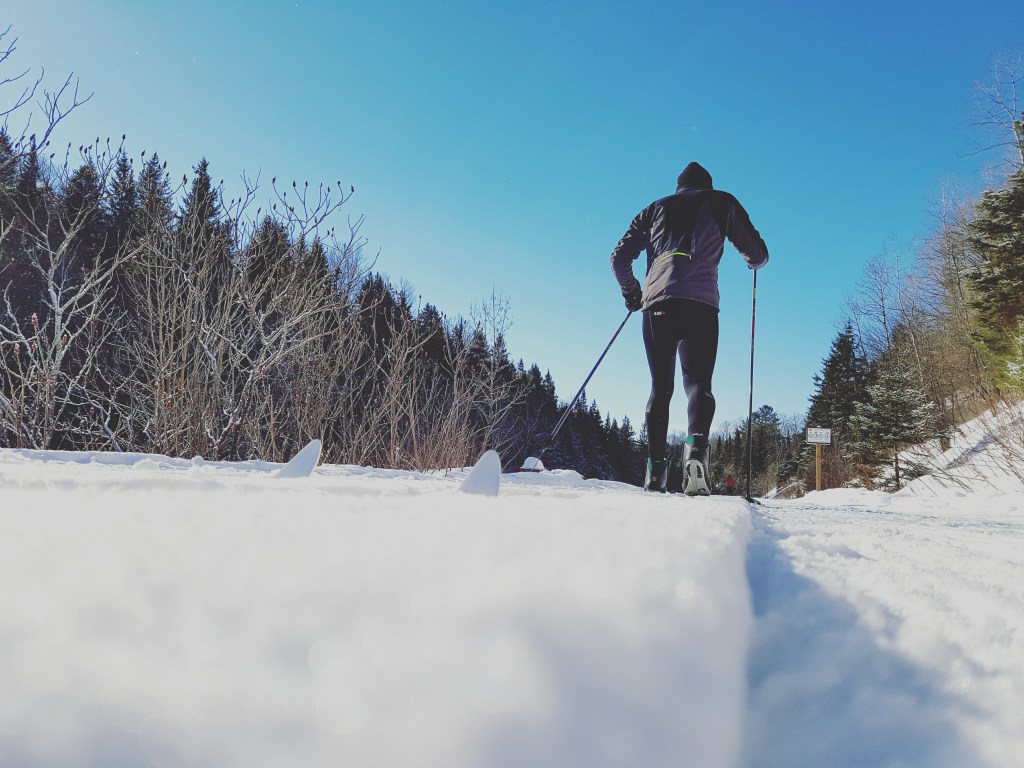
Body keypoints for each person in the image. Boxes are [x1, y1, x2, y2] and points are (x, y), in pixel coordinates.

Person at [610, 162, 768, 495]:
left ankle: (655, 472)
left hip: (658, 305)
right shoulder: (721, 202)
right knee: (698, 384)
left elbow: (619, 258)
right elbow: (758, 254)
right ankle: (695, 452)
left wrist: (631, 292)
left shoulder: (654, 209)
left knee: (660, 390)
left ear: (679, 186)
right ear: (706, 186)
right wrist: (753, 261)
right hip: (702, 306)